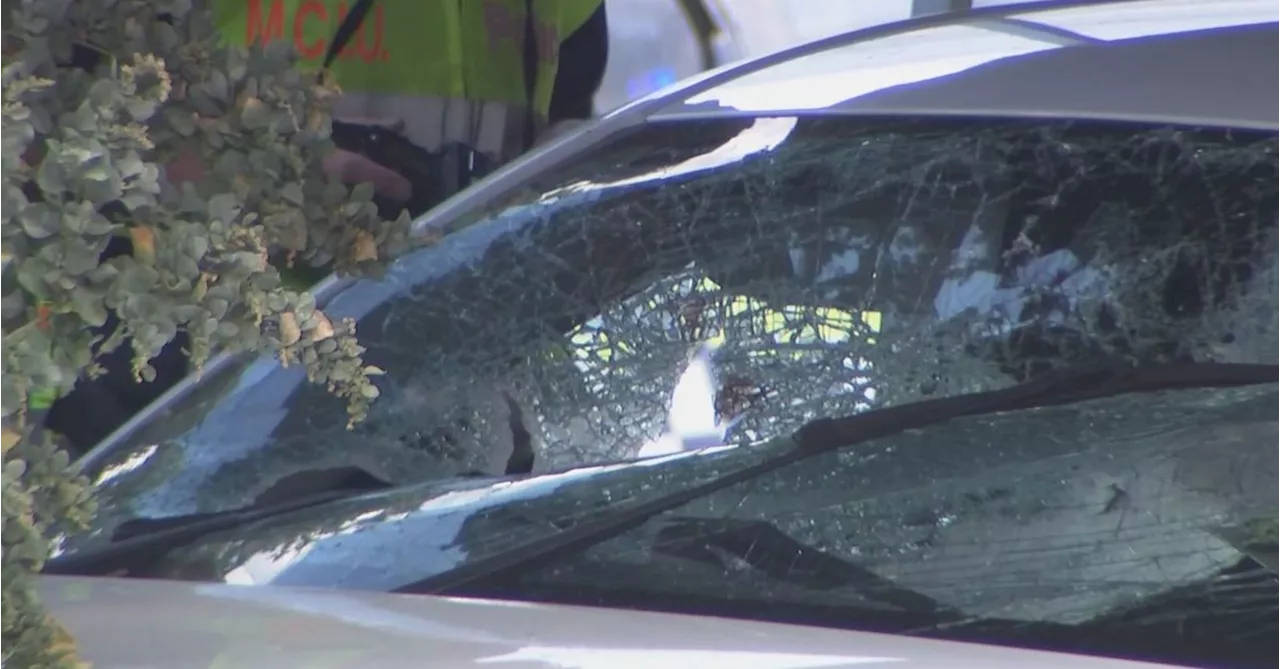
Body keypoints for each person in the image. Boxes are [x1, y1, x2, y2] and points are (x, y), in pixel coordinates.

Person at [46, 0, 611, 457]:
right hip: (196, 424)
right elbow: (50, 111)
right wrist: (262, 170)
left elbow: (567, 124)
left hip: (462, 423)